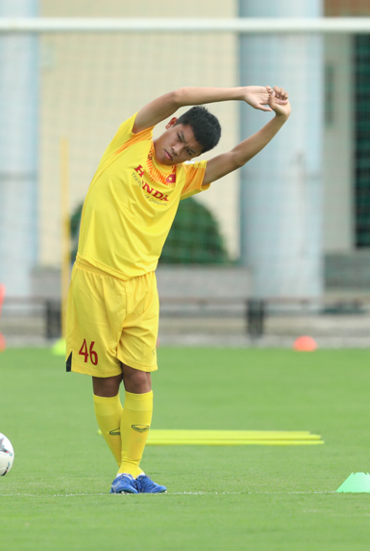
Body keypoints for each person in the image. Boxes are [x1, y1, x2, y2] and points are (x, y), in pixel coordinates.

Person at [65, 84, 290, 494]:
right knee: (104, 382)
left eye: (188, 151)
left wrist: (279, 119)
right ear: (171, 126)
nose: (177, 151)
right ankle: (130, 471)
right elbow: (175, 95)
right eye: (179, 139)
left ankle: (128, 470)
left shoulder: (182, 179)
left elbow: (237, 157)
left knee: (140, 377)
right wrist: (241, 94)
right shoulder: (128, 143)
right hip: (94, 280)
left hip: (141, 288)